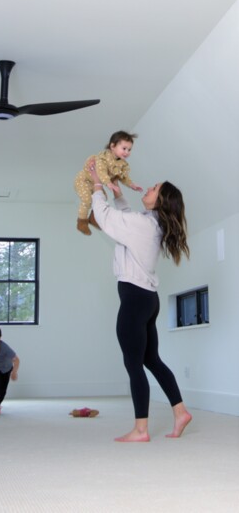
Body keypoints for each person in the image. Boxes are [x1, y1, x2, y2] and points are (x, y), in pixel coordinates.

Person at [88, 162, 192, 442]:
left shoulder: (144, 225)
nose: (148, 188)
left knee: (134, 364)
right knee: (151, 359)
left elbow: (108, 219)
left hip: (134, 299)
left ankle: (141, 430)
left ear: (160, 200)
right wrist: (119, 194)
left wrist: (97, 185)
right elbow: (127, 222)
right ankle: (180, 411)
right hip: (147, 299)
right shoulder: (151, 223)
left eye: (154, 188)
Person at [74, 131, 143, 236]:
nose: (127, 152)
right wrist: (108, 183)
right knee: (87, 199)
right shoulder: (103, 157)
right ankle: (81, 222)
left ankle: (93, 218)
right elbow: (100, 171)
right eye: (124, 148)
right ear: (112, 146)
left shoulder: (122, 164)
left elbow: (123, 176)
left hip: (96, 183)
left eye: (129, 149)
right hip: (84, 180)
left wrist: (131, 185)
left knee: (102, 199)